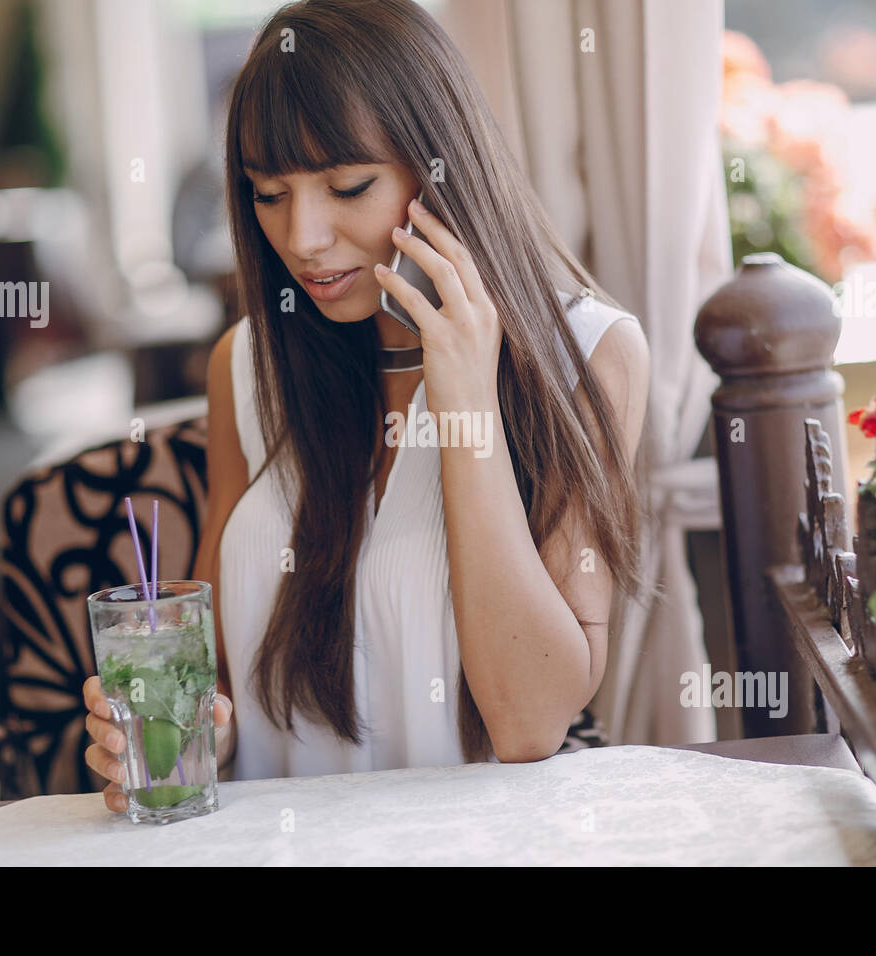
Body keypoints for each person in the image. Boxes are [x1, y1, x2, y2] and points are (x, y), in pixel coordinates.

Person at [85, 0, 651, 812]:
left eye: (348, 186)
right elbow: (219, 695)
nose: (303, 236)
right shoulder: (245, 367)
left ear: (441, 167)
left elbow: (528, 723)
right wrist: (180, 735)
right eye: (267, 194)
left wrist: (464, 402)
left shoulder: (591, 358)